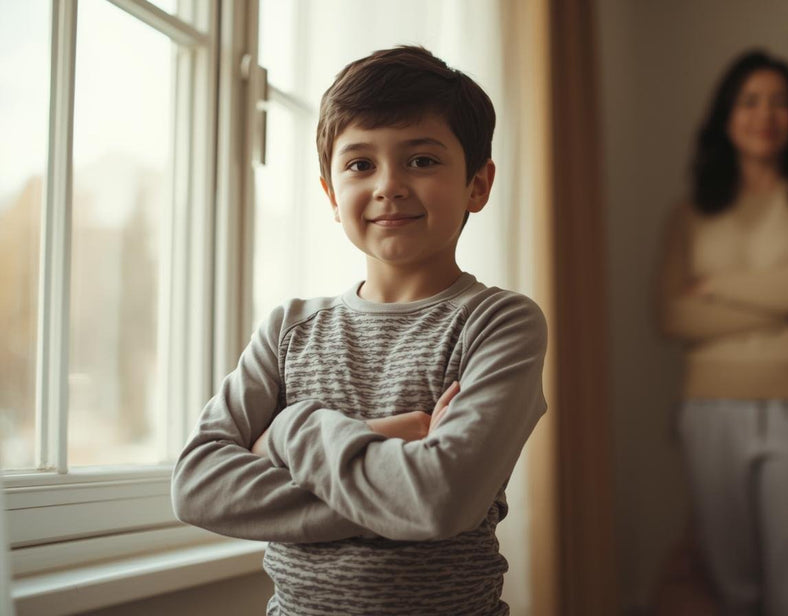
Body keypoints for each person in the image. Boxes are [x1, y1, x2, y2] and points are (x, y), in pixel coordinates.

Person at [171, 46, 548, 615]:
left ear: (477, 183)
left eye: (421, 161)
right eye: (360, 164)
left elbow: (438, 502)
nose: (388, 185)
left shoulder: (499, 323)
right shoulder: (288, 328)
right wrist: (386, 441)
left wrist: (285, 434)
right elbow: (198, 485)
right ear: (330, 193)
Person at [658, 49, 788, 616]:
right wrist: (785, 297)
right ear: (726, 115)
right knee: (731, 589)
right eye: (750, 100)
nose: (765, 114)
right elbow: (674, 316)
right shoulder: (689, 214)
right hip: (711, 407)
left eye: (780, 101)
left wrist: (715, 285)